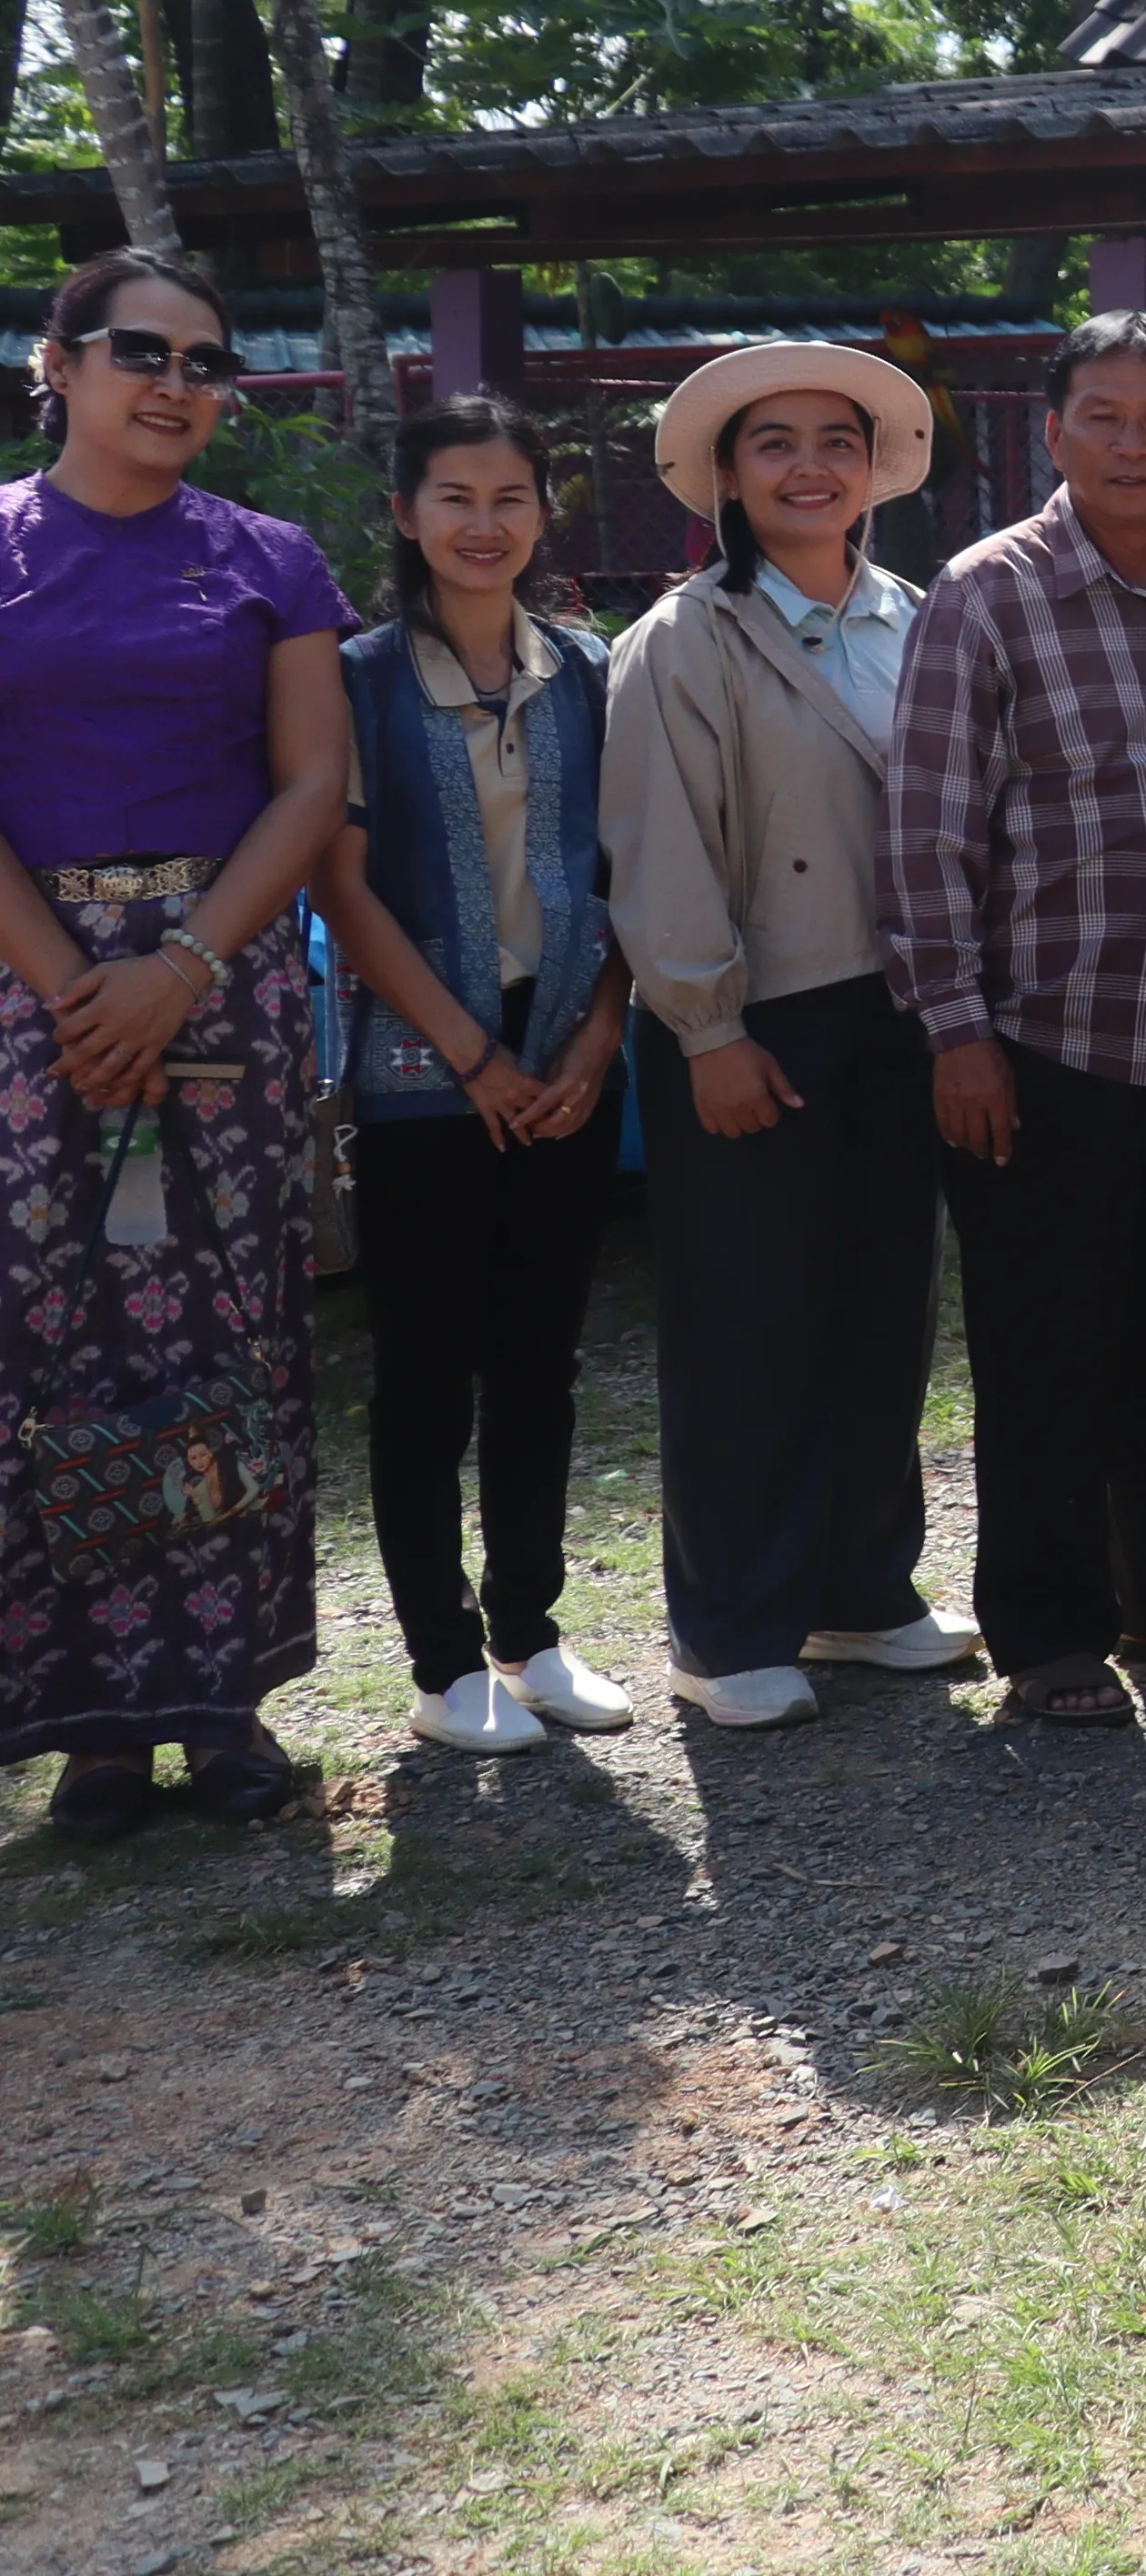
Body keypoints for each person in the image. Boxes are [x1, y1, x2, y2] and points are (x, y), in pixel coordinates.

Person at [882, 310, 1146, 1728]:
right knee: (1049, 1349)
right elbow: (928, 836)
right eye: (1101, 416)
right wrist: (956, 1029)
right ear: (1052, 432)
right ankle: (1049, 1633)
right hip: (1049, 1049)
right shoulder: (987, 595)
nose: (1132, 442)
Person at [0, 254, 350, 1837]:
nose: (178, 384)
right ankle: (91, 1730)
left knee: (230, 1339)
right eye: (142, 352)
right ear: (55, 364)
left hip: (225, 993)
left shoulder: (271, 560)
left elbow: (309, 790)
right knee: (60, 1344)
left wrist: (184, 967)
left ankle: (223, 1708)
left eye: (210, 363)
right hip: (31, 1001)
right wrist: (77, 982)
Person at [603, 343, 972, 1729]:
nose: (810, 465)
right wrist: (705, 1027)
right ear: (727, 477)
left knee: (884, 1311)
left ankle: (863, 1591)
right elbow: (659, 851)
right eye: (775, 444)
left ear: (877, 466)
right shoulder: (683, 640)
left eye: (838, 439)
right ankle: (730, 1626)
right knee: (747, 1324)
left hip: (899, 1011)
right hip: (752, 1015)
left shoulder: (921, 617)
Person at [314, 397, 638, 1756]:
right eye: (455, 497)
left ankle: (533, 1631)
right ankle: (446, 1664)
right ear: (405, 513)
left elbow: (636, 867)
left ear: (540, 514)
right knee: (427, 1369)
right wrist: (469, 1058)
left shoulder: (591, 669)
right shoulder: (355, 678)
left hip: (570, 1056)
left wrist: (601, 1033)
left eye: (511, 497)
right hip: (419, 1067)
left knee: (542, 1360)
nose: (484, 523)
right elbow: (340, 877)